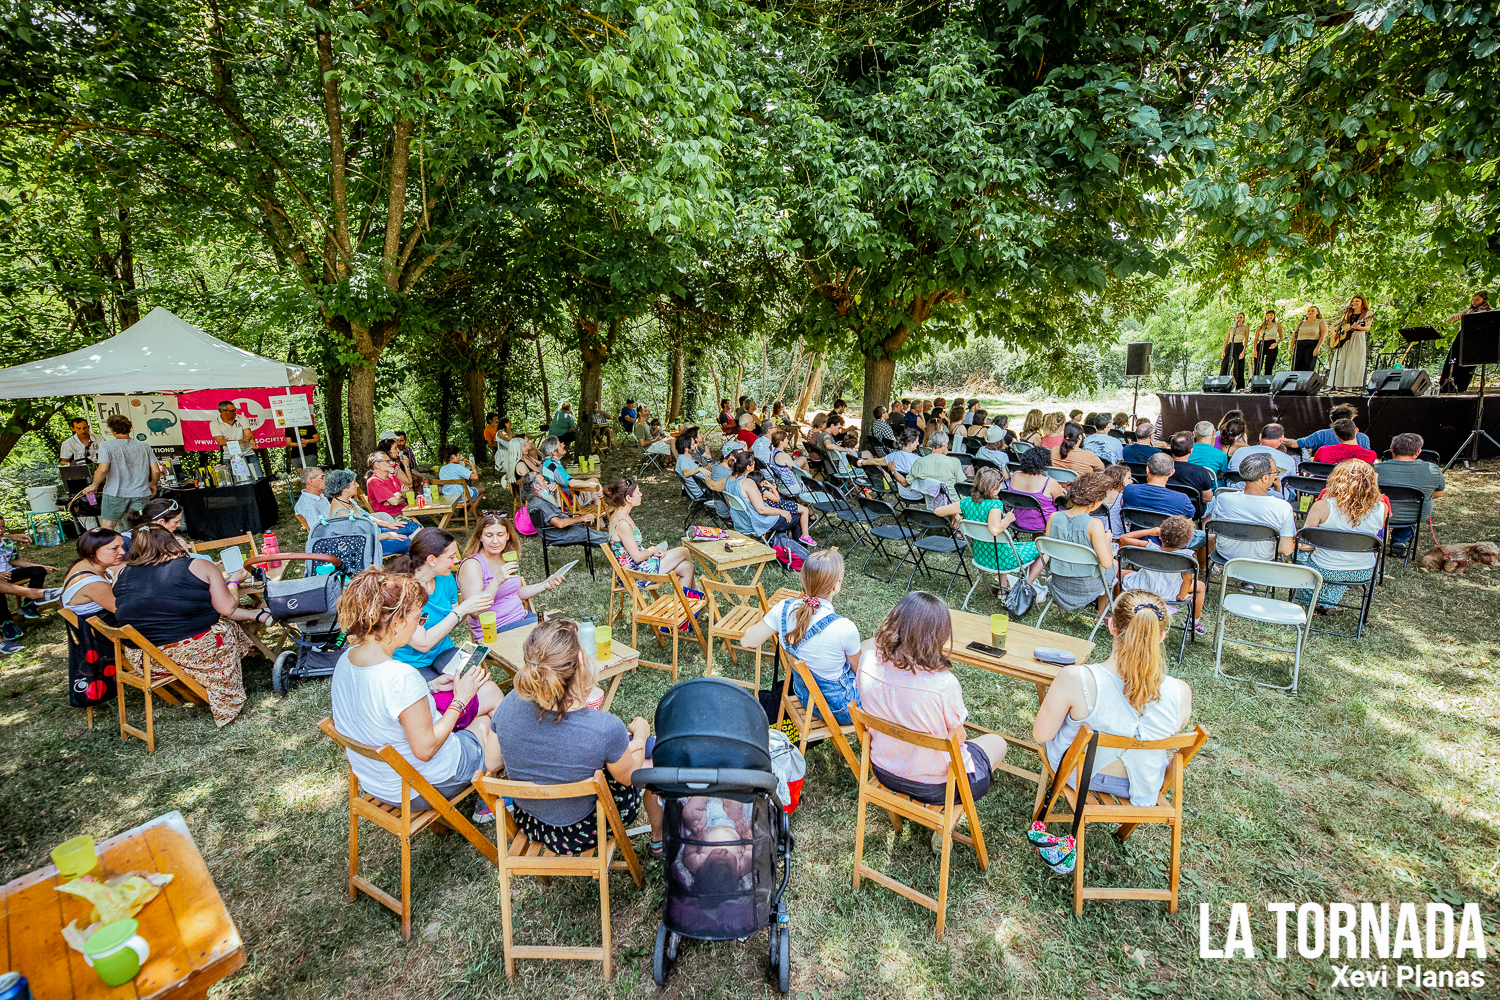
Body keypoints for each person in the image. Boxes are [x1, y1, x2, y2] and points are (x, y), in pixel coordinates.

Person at [331, 568, 501, 812]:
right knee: (489, 723)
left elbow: (384, 705)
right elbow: (426, 749)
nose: (421, 625)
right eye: (419, 619)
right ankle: (499, 795)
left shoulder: (347, 659)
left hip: (379, 780)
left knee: (487, 701)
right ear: (397, 623)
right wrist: (460, 700)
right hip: (421, 786)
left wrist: (430, 686)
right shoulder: (400, 677)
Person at [493, 617, 665, 854]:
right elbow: (630, 777)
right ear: (581, 659)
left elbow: (492, 761)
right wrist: (641, 735)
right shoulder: (604, 728)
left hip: (531, 821)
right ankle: (659, 840)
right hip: (584, 829)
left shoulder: (510, 701)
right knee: (656, 760)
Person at [1033, 592, 1193, 808]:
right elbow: (1169, 734)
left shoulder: (1075, 679)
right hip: (1142, 784)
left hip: (1078, 774)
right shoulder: (1180, 692)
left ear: (1111, 626)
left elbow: (1041, 735)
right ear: (1161, 637)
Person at [854, 592, 1010, 804]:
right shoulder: (943, 684)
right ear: (939, 635)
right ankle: (941, 824)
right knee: (997, 742)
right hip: (938, 787)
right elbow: (959, 737)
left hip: (884, 769)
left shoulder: (867, 662)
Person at [111, 522, 261, 726]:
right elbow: (227, 608)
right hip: (194, 653)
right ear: (171, 540)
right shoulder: (197, 566)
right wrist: (233, 582)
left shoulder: (121, 574)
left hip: (146, 659)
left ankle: (255, 627)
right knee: (225, 621)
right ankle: (228, 683)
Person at [391, 528, 505, 757]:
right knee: (440, 704)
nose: (457, 560)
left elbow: (454, 615)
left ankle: (505, 742)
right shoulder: (402, 591)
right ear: (431, 560)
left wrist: (488, 590)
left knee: (480, 681)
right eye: (451, 557)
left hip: (443, 649)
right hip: (410, 661)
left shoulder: (445, 581)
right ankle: (480, 740)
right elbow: (421, 643)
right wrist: (461, 610)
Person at [740, 549, 862, 724]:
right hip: (840, 709)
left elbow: (747, 641)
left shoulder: (783, 609)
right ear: (836, 586)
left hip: (804, 697)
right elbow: (861, 673)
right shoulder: (844, 628)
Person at [1295, 460, 1387, 612]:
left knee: (1298, 551)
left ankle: (1311, 599)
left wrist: (1323, 545)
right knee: (1340, 558)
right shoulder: (1381, 508)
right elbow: (1380, 542)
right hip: (1363, 570)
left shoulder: (1323, 506)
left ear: (1336, 479)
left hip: (1324, 568)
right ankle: (1329, 603)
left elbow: (1304, 543)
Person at [935, 467, 1042, 589]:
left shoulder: (966, 502)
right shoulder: (995, 505)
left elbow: (938, 511)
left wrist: (956, 513)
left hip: (981, 556)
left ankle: (1003, 587)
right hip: (1003, 560)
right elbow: (994, 530)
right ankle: (1026, 586)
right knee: (1043, 549)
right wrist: (1008, 519)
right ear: (993, 489)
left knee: (1003, 544)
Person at [457, 514, 558, 640]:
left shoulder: (505, 557)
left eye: (500, 535)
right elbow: (476, 612)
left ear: (508, 536)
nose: (495, 541)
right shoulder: (472, 565)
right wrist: (497, 580)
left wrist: (545, 584)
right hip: (495, 630)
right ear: (480, 537)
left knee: (565, 630)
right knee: (554, 638)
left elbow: (518, 592)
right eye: (489, 535)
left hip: (521, 618)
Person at [61, 528, 125, 706]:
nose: (122, 552)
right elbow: (122, 610)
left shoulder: (86, 565)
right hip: (105, 637)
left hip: (99, 631)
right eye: (114, 548)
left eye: (122, 546)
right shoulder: (92, 582)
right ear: (93, 551)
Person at [1119, 515, 1207, 635]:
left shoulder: (1148, 546)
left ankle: (1116, 607)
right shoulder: (1187, 556)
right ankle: (1194, 622)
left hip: (1141, 586)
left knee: (1120, 574)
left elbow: (1124, 538)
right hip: (1168, 592)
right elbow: (1187, 580)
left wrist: (1151, 531)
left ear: (1160, 534)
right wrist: (1181, 596)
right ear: (1187, 540)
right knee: (1200, 586)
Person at [1043, 473, 1117, 615]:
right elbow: (1106, 563)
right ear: (1095, 503)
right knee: (1114, 565)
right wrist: (1107, 540)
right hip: (1086, 587)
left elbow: (1049, 549)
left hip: (1058, 583)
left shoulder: (1054, 517)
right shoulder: (1094, 524)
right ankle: (1102, 613)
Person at [605, 479, 697, 588]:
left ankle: (683, 603)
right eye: (638, 492)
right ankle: (696, 591)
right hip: (635, 574)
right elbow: (638, 557)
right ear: (628, 498)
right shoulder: (622, 523)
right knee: (684, 551)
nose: (641, 494)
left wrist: (650, 552)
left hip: (639, 566)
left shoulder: (622, 515)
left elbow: (634, 548)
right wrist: (652, 550)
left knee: (687, 567)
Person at [1204, 453, 1296, 563]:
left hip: (1226, 555)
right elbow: (1285, 550)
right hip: (1262, 559)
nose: (1275, 476)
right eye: (1274, 473)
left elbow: (1213, 532)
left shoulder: (1222, 499)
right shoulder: (1283, 507)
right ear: (1265, 478)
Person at [1374, 432, 1445, 554]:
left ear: (1391, 448)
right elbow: (1438, 494)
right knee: (1411, 506)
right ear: (1418, 452)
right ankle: (1399, 539)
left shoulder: (1373, 470)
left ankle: (1379, 537)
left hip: (1381, 513)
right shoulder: (1433, 470)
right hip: (1414, 515)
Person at [725, 452, 815, 545]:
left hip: (741, 521)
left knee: (786, 513)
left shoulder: (729, 481)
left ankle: (779, 546)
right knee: (797, 517)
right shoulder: (748, 482)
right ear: (748, 467)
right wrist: (781, 512)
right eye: (753, 462)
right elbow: (761, 510)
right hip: (756, 522)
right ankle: (800, 554)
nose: (755, 464)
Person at [325, 468, 420, 556]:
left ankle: (416, 559)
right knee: (408, 542)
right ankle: (417, 564)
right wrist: (388, 535)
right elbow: (360, 539)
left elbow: (365, 516)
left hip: (375, 533)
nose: (357, 485)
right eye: (354, 483)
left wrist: (387, 524)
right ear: (344, 489)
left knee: (412, 526)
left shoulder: (346, 500)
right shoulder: (341, 513)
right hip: (367, 546)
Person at [88, 414, 158, 528]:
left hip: (115, 492)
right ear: (131, 427)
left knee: (108, 528)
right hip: (140, 493)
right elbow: (155, 471)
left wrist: (94, 485)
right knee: (141, 528)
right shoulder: (145, 446)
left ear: (111, 429)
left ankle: (111, 546)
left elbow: (103, 469)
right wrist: (153, 484)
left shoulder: (106, 446)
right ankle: (141, 546)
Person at [523, 472, 609, 547]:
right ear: (536, 487)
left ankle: (614, 540)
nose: (546, 482)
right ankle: (616, 542)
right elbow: (559, 523)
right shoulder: (539, 504)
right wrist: (581, 519)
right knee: (602, 537)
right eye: (543, 480)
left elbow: (558, 511)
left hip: (557, 533)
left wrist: (556, 492)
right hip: (558, 535)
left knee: (594, 533)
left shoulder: (537, 500)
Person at [1007, 446, 1065, 533]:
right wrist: (1059, 489)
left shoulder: (1015, 475)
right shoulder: (1049, 483)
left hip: (1018, 520)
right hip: (1045, 524)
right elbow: (1061, 504)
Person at [1442, 290, 1491, 391]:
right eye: (1473, 299)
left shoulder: (1486, 310)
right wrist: (1455, 317)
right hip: (1462, 336)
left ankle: (1460, 386)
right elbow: (1451, 318)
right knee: (1453, 359)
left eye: (1477, 300)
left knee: (1465, 364)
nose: (1474, 302)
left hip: (1473, 340)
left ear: (1484, 300)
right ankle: (1446, 385)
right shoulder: (1469, 310)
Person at [1122, 453, 1196, 520]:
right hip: (1168, 534)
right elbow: (1189, 518)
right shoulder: (1182, 500)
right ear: (1171, 473)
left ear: (1147, 470)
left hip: (1135, 534)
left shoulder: (1129, 490)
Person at [1227, 423, 1297, 493]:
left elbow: (1228, 476)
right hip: (1271, 498)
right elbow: (1292, 491)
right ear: (1281, 439)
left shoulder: (1239, 451)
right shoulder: (1289, 460)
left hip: (1235, 493)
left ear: (1260, 437)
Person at [1329, 294, 1372, 390]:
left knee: (1353, 362)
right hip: (1345, 340)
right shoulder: (1348, 314)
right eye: (1353, 301)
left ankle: (1350, 386)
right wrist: (1334, 333)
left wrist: (1359, 327)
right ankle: (1338, 385)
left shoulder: (1367, 314)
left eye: (1357, 301)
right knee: (1341, 361)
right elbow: (1333, 326)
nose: (1354, 303)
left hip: (1357, 338)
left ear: (1362, 303)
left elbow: (1368, 328)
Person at [1293, 403, 1371, 453]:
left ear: (1332, 421)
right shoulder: (1364, 438)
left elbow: (1296, 444)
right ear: (1351, 420)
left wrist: (1281, 438)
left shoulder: (1321, 435)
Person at [1166, 432, 1213, 513]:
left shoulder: (1161, 468)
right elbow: (1207, 498)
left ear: (1170, 448)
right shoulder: (1201, 471)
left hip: (1166, 507)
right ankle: (1203, 525)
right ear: (1191, 451)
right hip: (1192, 511)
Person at [540, 435, 600, 499]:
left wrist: (580, 487)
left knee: (593, 480)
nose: (563, 445)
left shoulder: (545, 463)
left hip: (556, 498)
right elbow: (572, 483)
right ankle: (599, 507)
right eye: (560, 445)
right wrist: (593, 486)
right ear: (554, 452)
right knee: (595, 489)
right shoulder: (556, 467)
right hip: (567, 500)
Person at [365, 449, 412, 519]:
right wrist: (402, 494)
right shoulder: (374, 481)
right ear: (377, 465)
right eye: (387, 461)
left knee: (431, 518)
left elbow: (410, 493)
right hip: (391, 517)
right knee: (427, 527)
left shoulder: (392, 477)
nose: (391, 463)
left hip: (407, 511)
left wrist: (398, 495)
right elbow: (395, 502)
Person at [1291, 305, 1328, 372]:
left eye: (1312, 311)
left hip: (1312, 344)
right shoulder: (1301, 323)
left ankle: (1306, 381)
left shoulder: (1321, 322)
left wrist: (1318, 347)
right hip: (1299, 345)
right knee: (1296, 366)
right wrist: (1291, 347)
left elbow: (1323, 335)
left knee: (1308, 365)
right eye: (1309, 311)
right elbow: (1294, 336)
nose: (1310, 312)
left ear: (1317, 312)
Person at [1219, 312, 1251, 389]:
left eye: (1240, 317)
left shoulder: (1246, 328)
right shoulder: (1231, 328)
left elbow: (1246, 341)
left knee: (1238, 367)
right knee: (1225, 365)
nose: (1238, 319)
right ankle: (1222, 384)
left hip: (1239, 346)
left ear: (1243, 319)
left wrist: (1243, 351)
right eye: (1237, 317)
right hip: (1231, 346)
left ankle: (1238, 386)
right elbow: (1226, 340)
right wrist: (1223, 351)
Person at [1255, 309, 1283, 376]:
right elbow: (1256, 339)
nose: (1270, 316)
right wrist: (1255, 350)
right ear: (1265, 316)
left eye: (1271, 315)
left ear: (1274, 316)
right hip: (1262, 343)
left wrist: (1276, 343)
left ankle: (1267, 381)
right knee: (1257, 365)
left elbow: (1281, 337)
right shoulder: (1260, 327)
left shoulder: (1277, 325)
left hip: (1272, 343)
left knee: (1269, 365)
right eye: (1268, 315)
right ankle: (1255, 380)